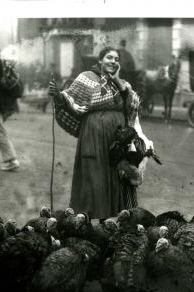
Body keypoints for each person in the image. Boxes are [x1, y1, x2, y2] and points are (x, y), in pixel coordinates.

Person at [49, 46, 153, 220]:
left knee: (117, 176)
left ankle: (112, 220)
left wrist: (117, 79)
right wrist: (57, 95)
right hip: (93, 136)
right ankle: (87, 220)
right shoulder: (86, 78)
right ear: (100, 60)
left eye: (116, 59)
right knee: (94, 176)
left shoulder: (122, 83)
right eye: (109, 57)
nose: (113, 61)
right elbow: (70, 99)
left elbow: (132, 105)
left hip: (118, 139)